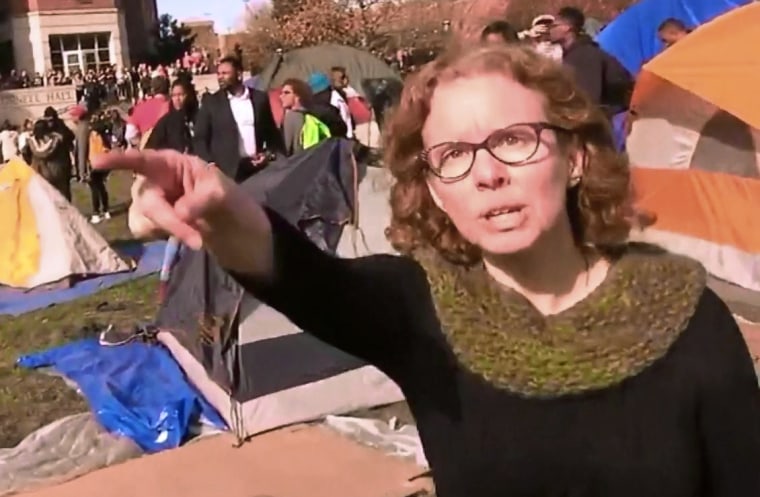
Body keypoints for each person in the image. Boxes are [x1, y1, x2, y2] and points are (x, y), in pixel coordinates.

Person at [94, 44, 760, 496]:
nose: (489, 172)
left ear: (577, 156)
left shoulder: (682, 316)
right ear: (437, 189)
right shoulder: (425, 306)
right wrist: (219, 206)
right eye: (455, 155)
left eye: (514, 139)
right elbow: (311, 281)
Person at [144, 78, 200, 302]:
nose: (177, 99)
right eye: (174, 95)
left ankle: (188, 276)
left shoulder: (199, 118)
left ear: (189, 94)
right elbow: (151, 151)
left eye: (181, 94)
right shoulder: (167, 122)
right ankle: (166, 278)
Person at [193, 55, 283, 183]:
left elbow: (271, 133)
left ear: (239, 74)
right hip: (226, 172)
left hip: (256, 169)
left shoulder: (259, 99)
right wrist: (209, 163)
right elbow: (200, 138)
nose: (220, 77)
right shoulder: (211, 103)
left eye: (225, 73)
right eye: (218, 73)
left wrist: (268, 154)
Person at [27, 119, 71, 201]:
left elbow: (26, 154)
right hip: (56, 171)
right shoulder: (56, 140)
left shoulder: (31, 142)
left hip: (39, 171)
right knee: (60, 197)